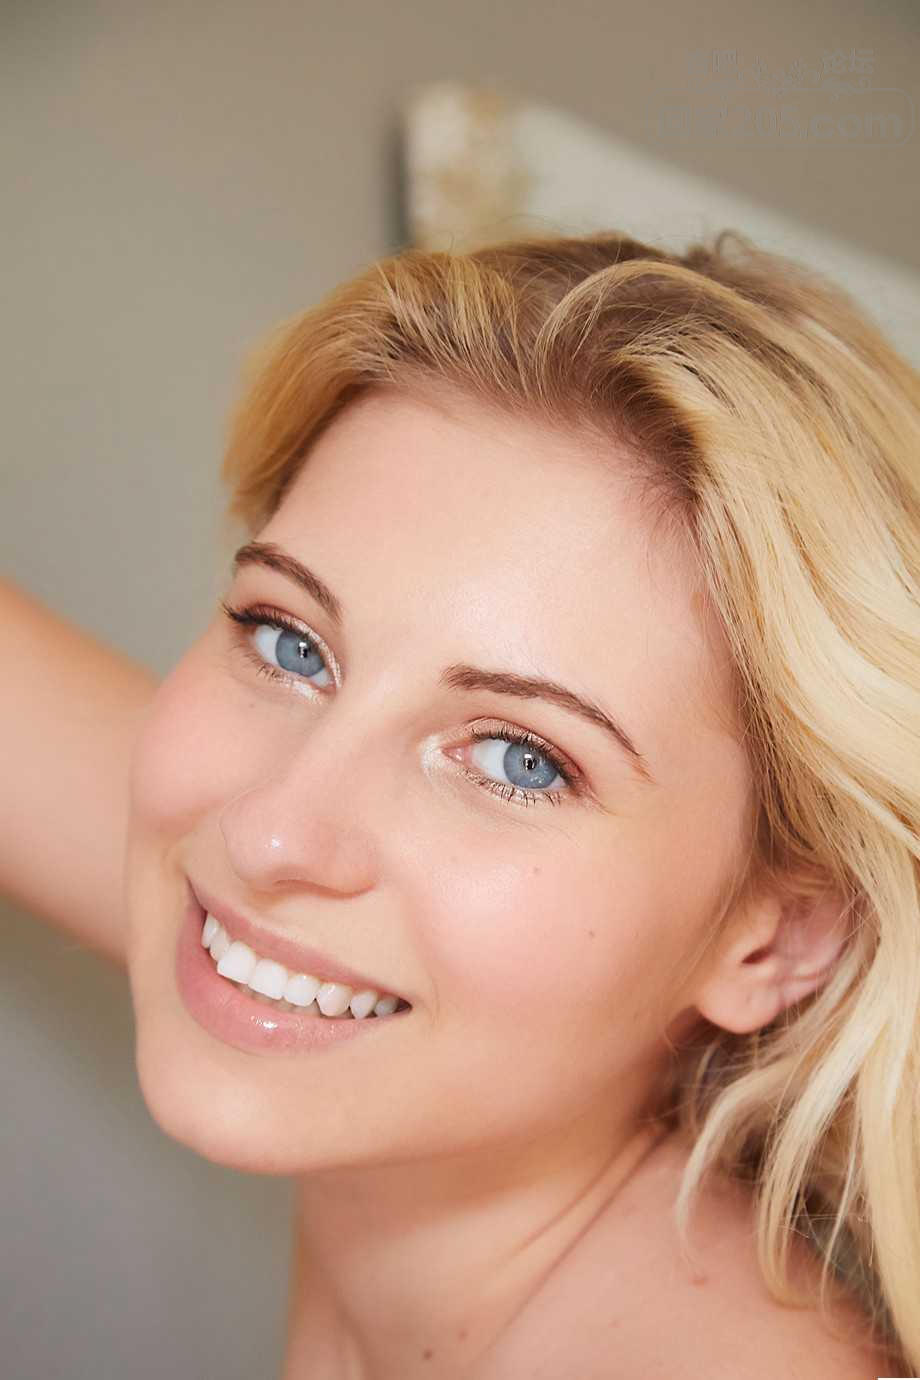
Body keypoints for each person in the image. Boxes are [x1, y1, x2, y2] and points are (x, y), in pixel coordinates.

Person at [3, 228, 918, 1379]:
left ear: (774, 938)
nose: (269, 832)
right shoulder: (280, 912)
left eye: (519, 760)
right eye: (289, 642)